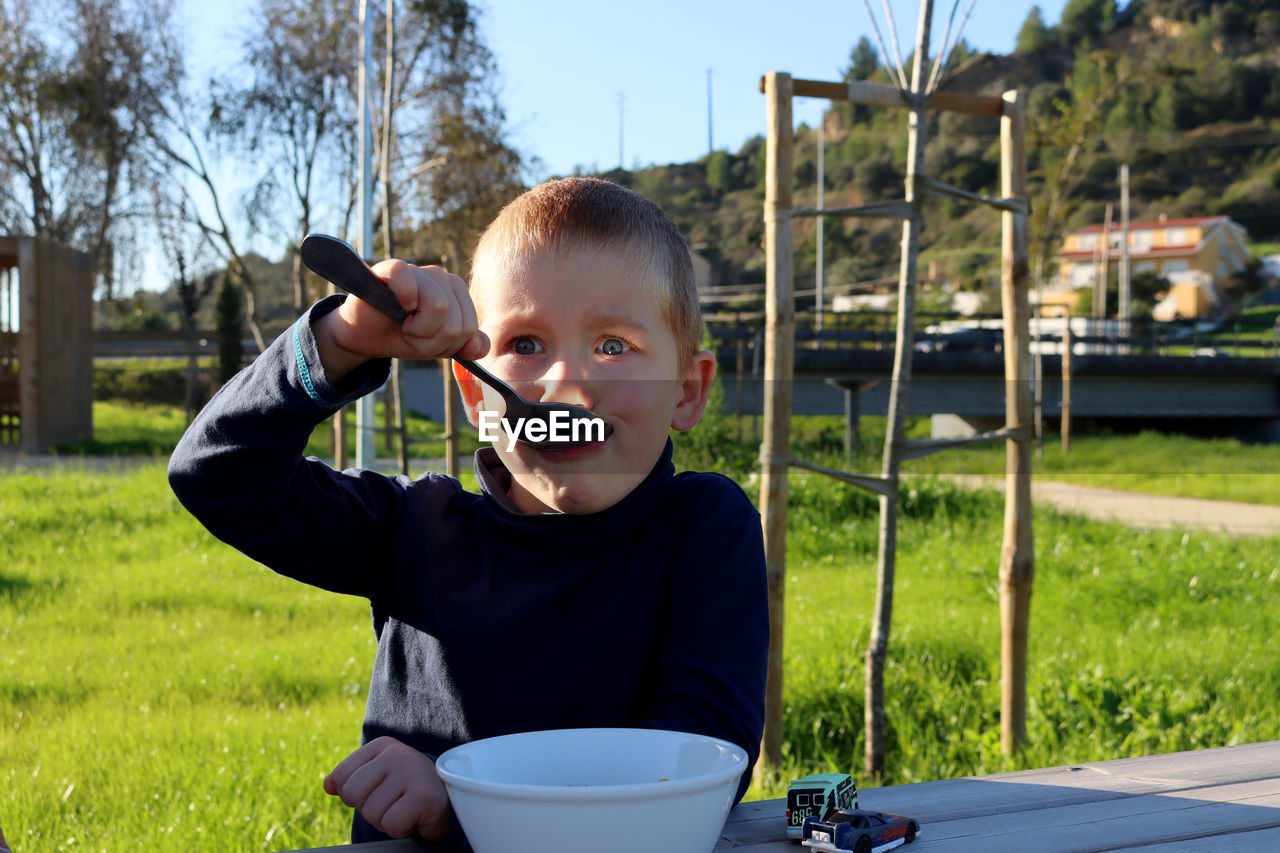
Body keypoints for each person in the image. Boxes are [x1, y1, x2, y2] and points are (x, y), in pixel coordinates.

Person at [168, 177, 769, 848]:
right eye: (525, 345)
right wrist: (344, 339)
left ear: (688, 390)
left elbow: (694, 759)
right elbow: (216, 473)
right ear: (473, 393)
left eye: (612, 346)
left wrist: (462, 800)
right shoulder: (414, 528)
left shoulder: (702, 528)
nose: (565, 385)